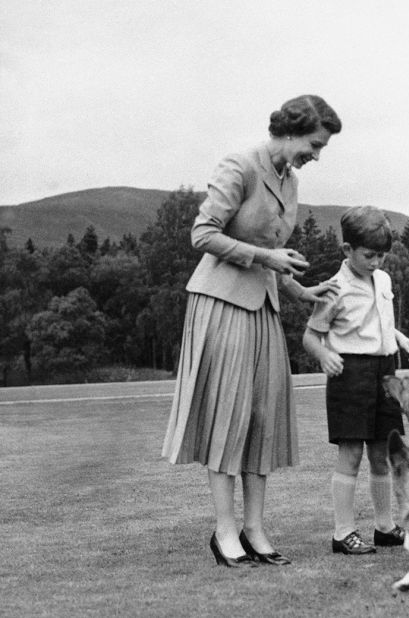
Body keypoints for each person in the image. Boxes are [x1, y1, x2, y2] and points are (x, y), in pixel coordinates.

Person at [162, 95, 343, 567]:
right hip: (221, 303)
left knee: (263, 418)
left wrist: (303, 291)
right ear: (288, 131)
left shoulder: (290, 179)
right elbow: (203, 235)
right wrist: (266, 258)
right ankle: (224, 531)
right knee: (230, 414)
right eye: (314, 144)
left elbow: (270, 252)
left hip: (263, 307)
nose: (316, 155)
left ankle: (255, 529)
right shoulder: (240, 165)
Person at [303, 206, 409, 555]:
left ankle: (384, 527)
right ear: (347, 251)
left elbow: (376, 320)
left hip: (385, 372)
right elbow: (310, 336)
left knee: (383, 453)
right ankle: (343, 533)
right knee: (351, 454)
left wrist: (400, 337)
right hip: (349, 375)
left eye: (382, 255)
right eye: (369, 255)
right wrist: (324, 355)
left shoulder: (382, 280)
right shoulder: (334, 289)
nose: (376, 262)